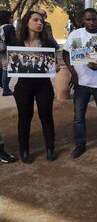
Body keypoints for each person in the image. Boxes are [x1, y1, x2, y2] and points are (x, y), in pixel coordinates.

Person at [62, 8, 97, 159]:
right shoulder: (76, 35)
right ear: (83, 20)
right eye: (88, 19)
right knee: (79, 116)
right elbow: (65, 53)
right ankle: (80, 145)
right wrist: (73, 73)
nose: (91, 22)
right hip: (81, 83)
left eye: (94, 19)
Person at [13, 11, 61, 163]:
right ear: (27, 22)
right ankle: (24, 151)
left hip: (44, 86)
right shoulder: (17, 43)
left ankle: (50, 148)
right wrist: (7, 64)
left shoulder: (48, 44)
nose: (40, 23)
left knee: (46, 117)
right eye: (36, 20)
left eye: (41, 21)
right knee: (24, 118)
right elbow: (12, 62)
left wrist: (56, 66)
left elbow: (54, 63)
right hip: (23, 86)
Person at [0, 10, 17, 96]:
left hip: (1, 50)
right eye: (11, 17)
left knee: (3, 67)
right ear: (8, 18)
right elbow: (13, 41)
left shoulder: (1, 27)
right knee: (8, 69)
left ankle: (3, 86)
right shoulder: (9, 27)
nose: (12, 19)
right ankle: (6, 90)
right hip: (7, 50)